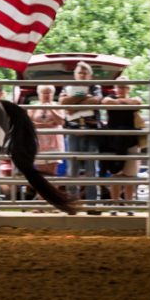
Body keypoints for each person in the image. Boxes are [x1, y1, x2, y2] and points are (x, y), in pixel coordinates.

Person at [60, 61, 104, 213]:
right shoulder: (67, 87)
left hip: (91, 131)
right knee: (72, 168)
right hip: (73, 131)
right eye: (80, 72)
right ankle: (73, 204)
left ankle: (92, 204)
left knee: (92, 169)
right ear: (75, 75)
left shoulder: (96, 87)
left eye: (85, 73)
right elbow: (64, 103)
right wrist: (84, 98)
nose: (82, 75)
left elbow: (96, 101)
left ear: (90, 75)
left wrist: (75, 103)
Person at [101, 83, 142, 215]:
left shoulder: (133, 99)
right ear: (115, 88)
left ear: (128, 89)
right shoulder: (109, 98)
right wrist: (125, 102)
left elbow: (137, 102)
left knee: (130, 175)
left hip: (131, 140)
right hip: (113, 141)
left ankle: (129, 205)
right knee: (116, 174)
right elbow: (106, 102)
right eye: (119, 87)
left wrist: (119, 102)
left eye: (124, 87)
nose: (121, 89)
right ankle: (115, 204)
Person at [28, 85, 66, 177]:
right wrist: (46, 125)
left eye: (49, 93)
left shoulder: (57, 106)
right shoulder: (33, 107)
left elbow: (60, 121)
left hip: (54, 143)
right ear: (39, 94)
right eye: (44, 93)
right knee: (40, 173)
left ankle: (51, 190)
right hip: (38, 142)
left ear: (53, 94)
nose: (46, 95)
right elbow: (29, 123)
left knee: (52, 172)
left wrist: (51, 108)